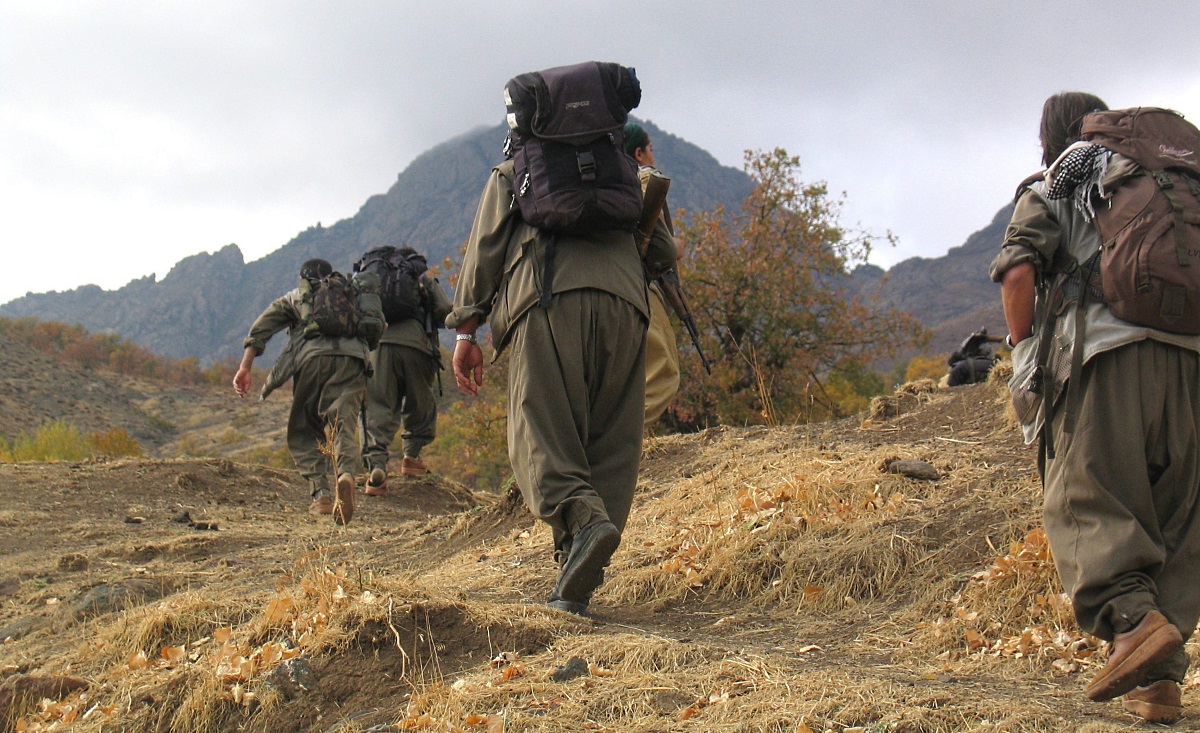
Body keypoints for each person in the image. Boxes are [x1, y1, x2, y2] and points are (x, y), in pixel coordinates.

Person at [990, 92, 1200, 724]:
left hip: (1107, 361)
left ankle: (1132, 626)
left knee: (1083, 498)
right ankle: (1157, 683)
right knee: (1175, 517)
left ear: (1049, 139)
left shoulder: (1065, 175)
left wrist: (1023, 346)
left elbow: (1019, 274)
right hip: (1193, 365)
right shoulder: (1169, 182)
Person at [449, 79, 671, 617]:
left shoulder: (516, 170)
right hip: (626, 308)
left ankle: (582, 523)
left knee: (539, 430)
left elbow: (485, 250)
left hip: (545, 302)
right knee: (611, 438)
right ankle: (576, 572)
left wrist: (466, 330)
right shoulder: (622, 168)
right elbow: (662, 252)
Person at [232, 258, 370, 526]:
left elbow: (261, 329)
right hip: (352, 360)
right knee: (343, 422)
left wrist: (245, 367)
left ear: (303, 278)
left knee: (305, 426)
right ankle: (346, 475)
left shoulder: (296, 297)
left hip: (311, 360)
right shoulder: (352, 295)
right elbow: (377, 325)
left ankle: (321, 493)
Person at [358, 247, 454, 495]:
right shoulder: (418, 273)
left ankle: (376, 467)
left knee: (378, 405)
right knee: (420, 400)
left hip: (378, 347)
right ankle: (411, 458)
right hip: (416, 345)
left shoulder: (372, 277)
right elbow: (444, 309)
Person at [624, 122, 681, 426]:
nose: (652, 156)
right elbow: (659, 247)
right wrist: (677, 245)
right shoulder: (644, 180)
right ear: (638, 153)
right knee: (663, 374)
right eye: (650, 150)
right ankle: (614, 443)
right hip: (637, 285)